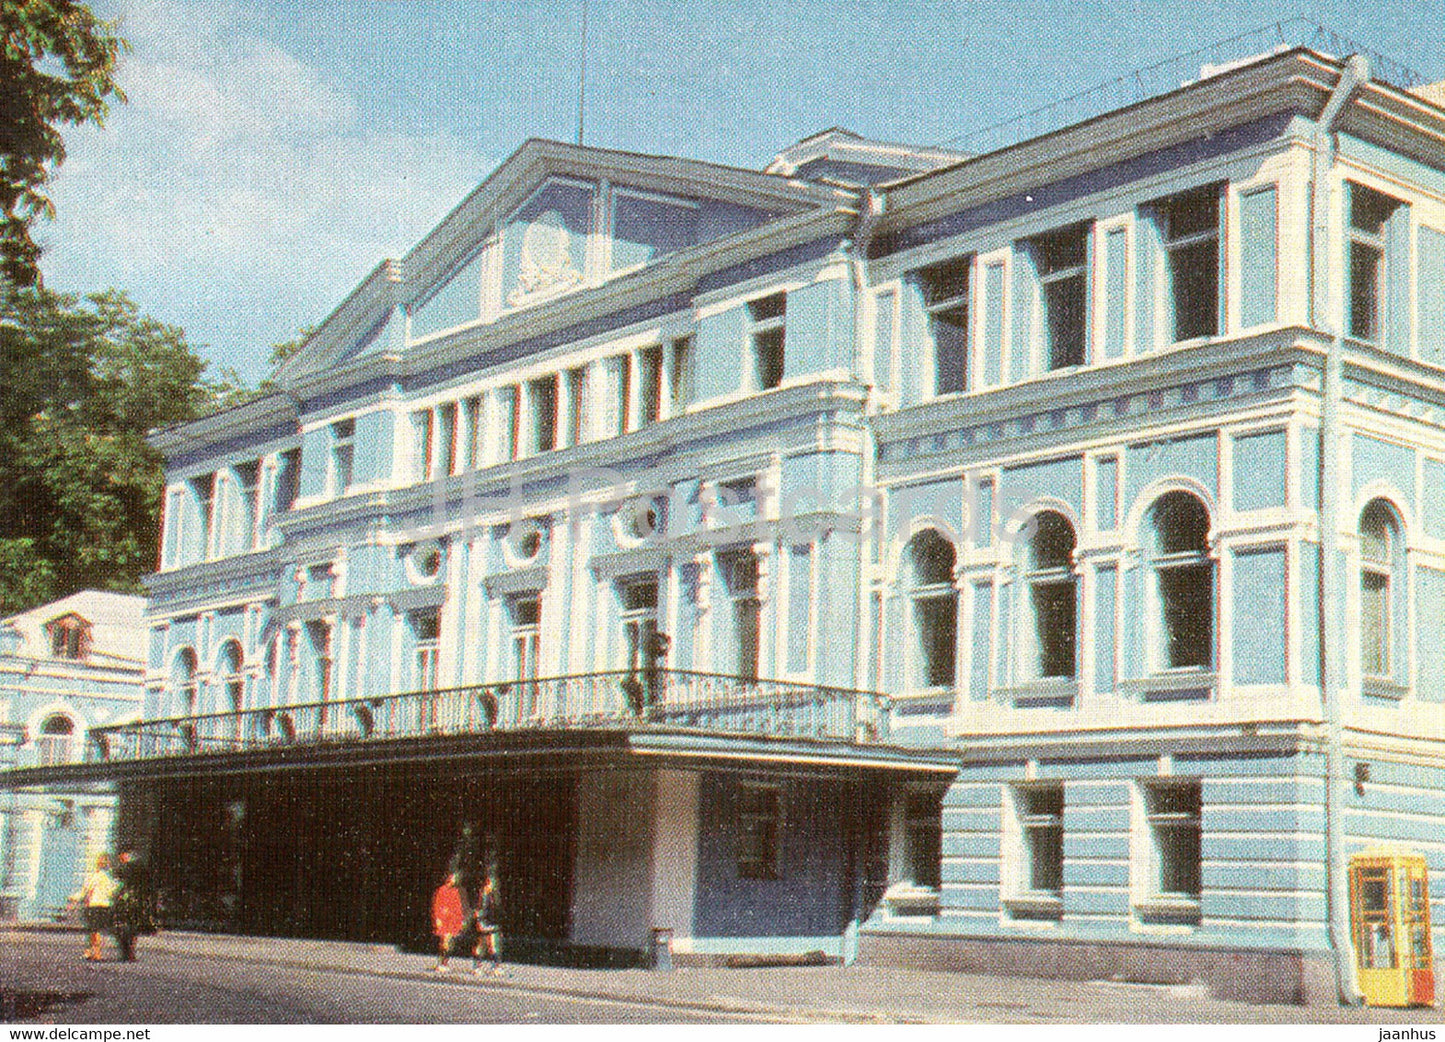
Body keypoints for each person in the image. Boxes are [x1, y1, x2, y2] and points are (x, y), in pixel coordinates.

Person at [70, 853, 121, 962]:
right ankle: (90, 951)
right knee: (95, 929)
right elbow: (113, 892)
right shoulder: (111, 878)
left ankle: (96, 953)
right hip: (106, 905)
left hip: (94, 905)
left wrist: (73, 898)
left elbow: (85, 892)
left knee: (94, 930)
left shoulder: (93, 876)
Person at [111, 850, 155, 962]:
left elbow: (118, 884)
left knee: (126, 928)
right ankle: (129, 952)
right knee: (132, 928)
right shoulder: (138, 867)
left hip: (128, 901)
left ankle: (128, 952)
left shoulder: (126, 869)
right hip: (134, 901)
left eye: (122, 857)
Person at [431, 872, 469, 973]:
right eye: (452, 878)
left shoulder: (455, 892)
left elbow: (458, 907)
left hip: (451, 921)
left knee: (449, 943)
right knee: (445, 942)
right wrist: (438, 918)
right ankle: (442, 963)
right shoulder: (442, 890)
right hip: (444, 920)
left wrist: (460, 921)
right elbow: (437, 905)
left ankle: (444, 962)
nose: (454, 880)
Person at [471, 870, 505, 976]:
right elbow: (478, 910)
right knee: (481, 945)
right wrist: (479, 921)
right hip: (483, 923)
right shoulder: (482, 896)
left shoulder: (492, 897)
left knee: (492, 945)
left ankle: (496, 967)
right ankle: (477, 967)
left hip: (491, 923)